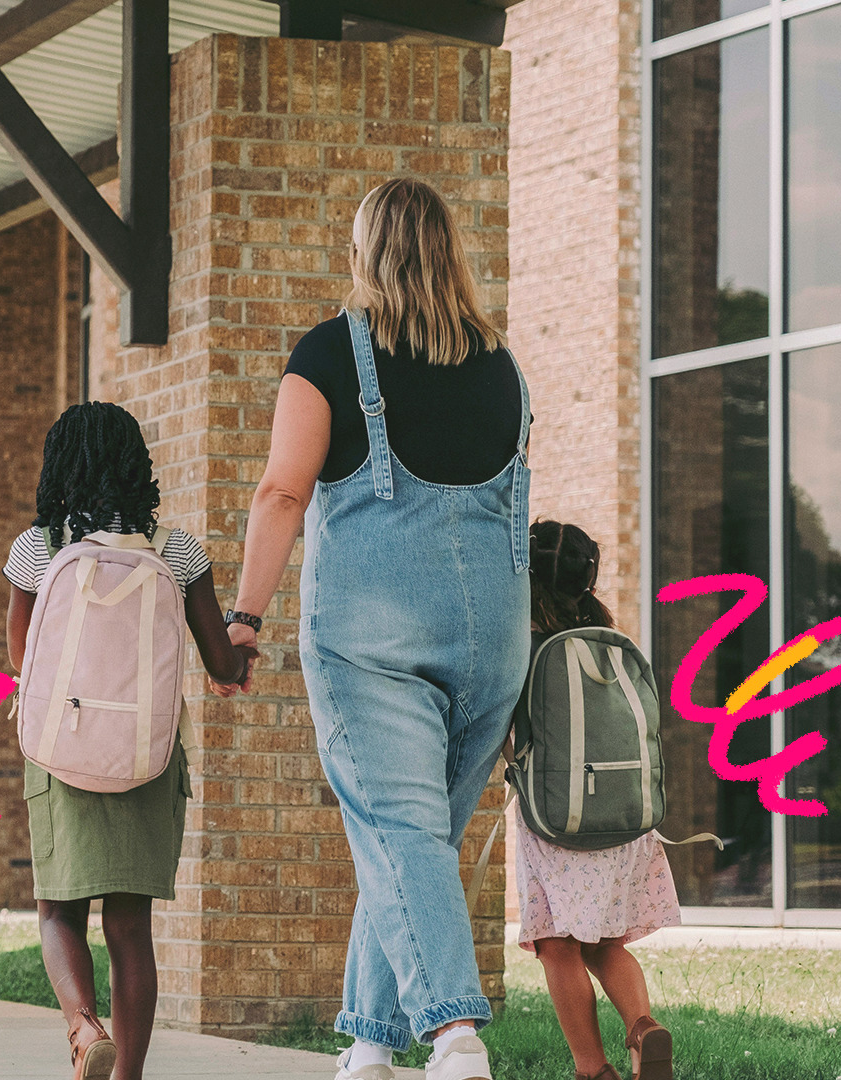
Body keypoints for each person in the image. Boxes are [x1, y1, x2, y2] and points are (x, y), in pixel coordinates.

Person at [222, 178, 530, 1080]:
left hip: (372, 640)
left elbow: (282, 490)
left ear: (365, 252)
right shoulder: (501, 365)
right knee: (408, 835)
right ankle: (369, 1040)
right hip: (491, 644)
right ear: (450, 252)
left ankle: (454, 1036)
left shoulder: (329, 353)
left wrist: (244, 618)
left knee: (400, 830)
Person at [4, 402, 257, 1080]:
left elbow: (19, 657)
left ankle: (84, 1027)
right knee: (129, 925)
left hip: (62, 750)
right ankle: (128, 1077)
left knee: (59, 909)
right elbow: (220, 665)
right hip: (147, 754)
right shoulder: (177, 552)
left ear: (60, 465)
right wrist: (241, 645)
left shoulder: (39, 549)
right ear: (137, 467)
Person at [516, 521, 680, 1080]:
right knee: (606, 942)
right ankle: (643, 1028)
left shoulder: (525, 637)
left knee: (556, 945)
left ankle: (594, 1070)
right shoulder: (605, 635)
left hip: (560, 817)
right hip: (626, 817)